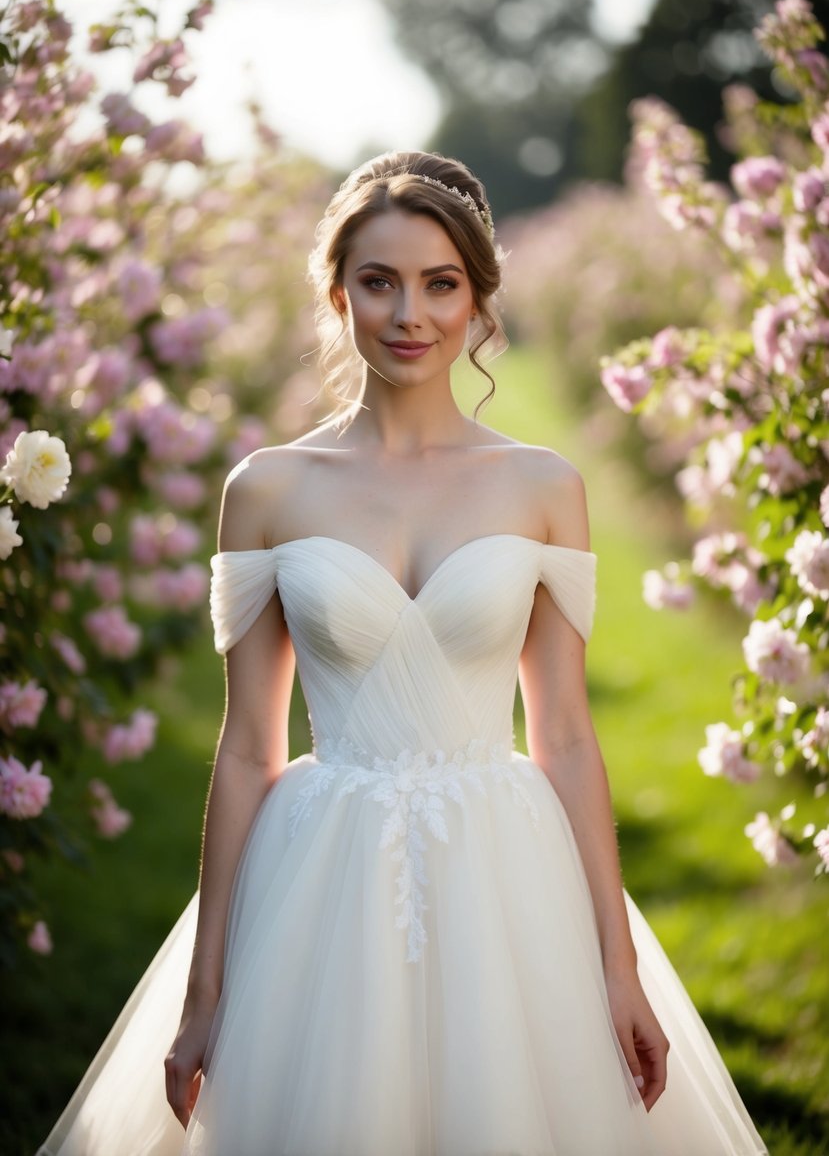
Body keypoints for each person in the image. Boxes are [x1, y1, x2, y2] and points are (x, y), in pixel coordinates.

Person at [38, 150, 768, 1156]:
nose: (409, 314)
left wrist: (617, 965)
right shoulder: (268, 490)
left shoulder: (542, 486)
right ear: (336, 294)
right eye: (378, 281)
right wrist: (205, 990)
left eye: (440, 283)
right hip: (322, 870)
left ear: (477, 298)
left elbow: (562, 732)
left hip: (505, 866)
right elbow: (249, 747)